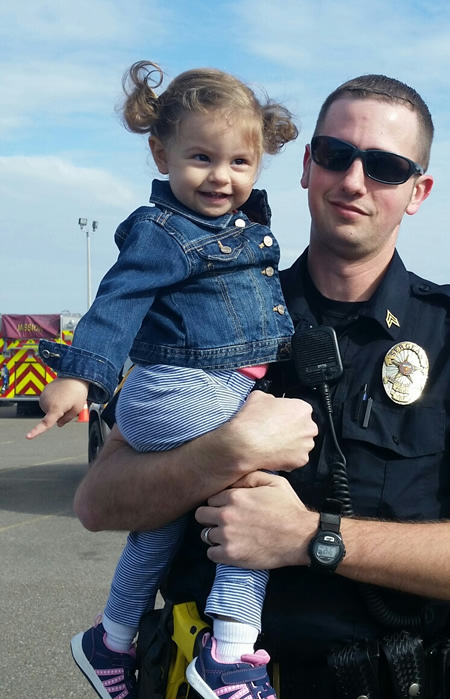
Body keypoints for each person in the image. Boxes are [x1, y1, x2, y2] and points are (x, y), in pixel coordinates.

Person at [74, 74, 450, 698]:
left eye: (387, 166)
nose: (355, 181)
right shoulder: (209, 315)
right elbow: (99, 501)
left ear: (419, 191)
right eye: (337, 155)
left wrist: (314, 538)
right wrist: (226, 452)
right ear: (307, 166)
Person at [28, 60, 299, 699]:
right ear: (161, 152)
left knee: (161, 523)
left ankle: (111, 639)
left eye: (240, 162)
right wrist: (81, 380)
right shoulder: (164, 230)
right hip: (186, 389)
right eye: (201, 157)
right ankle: (229, 653)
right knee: (255, 489)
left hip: (183, 391)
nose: (221, 177)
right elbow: (118, 300)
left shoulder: (237, 229)